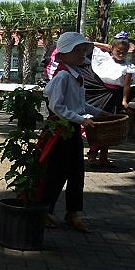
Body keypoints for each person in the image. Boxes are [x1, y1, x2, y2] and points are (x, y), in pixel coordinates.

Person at [41, 32, 108, 233]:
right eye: (77, 50)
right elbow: (57, 106)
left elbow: (80, 104)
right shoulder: (62, 76)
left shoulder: (76, 75)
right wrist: (81, 119)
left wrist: (100, 113)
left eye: (83, 50)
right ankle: (45, 210)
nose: (82, 54)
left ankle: (72, 213)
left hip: (72, 129)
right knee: (57, 172)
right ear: (63, 55)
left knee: (77, 173)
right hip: (60, 131)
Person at [83, 32, 134, 169]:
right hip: (98, 92)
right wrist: (107, 46)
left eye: (124, 52)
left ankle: (104, 157)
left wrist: (124, 100)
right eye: (118, 51)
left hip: (114, 97)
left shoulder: (128, 66)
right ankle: (92, 154)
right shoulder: (104, 58)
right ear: (112, 49)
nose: (121, 54)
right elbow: (90, 44)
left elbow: (126, 85)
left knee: (109, 126)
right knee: (97, 124)